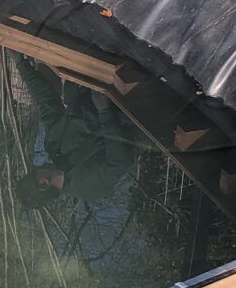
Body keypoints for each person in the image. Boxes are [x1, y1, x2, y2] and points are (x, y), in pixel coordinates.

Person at [11, 56, 141, 208]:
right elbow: (119, 160)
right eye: (34, 173)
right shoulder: (87, 187)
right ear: (43, 183)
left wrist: (21, 64)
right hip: (126, 108)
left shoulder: (53, 146)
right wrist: (105, 113)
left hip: (88, 80)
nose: (37, 167)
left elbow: (46, 102)